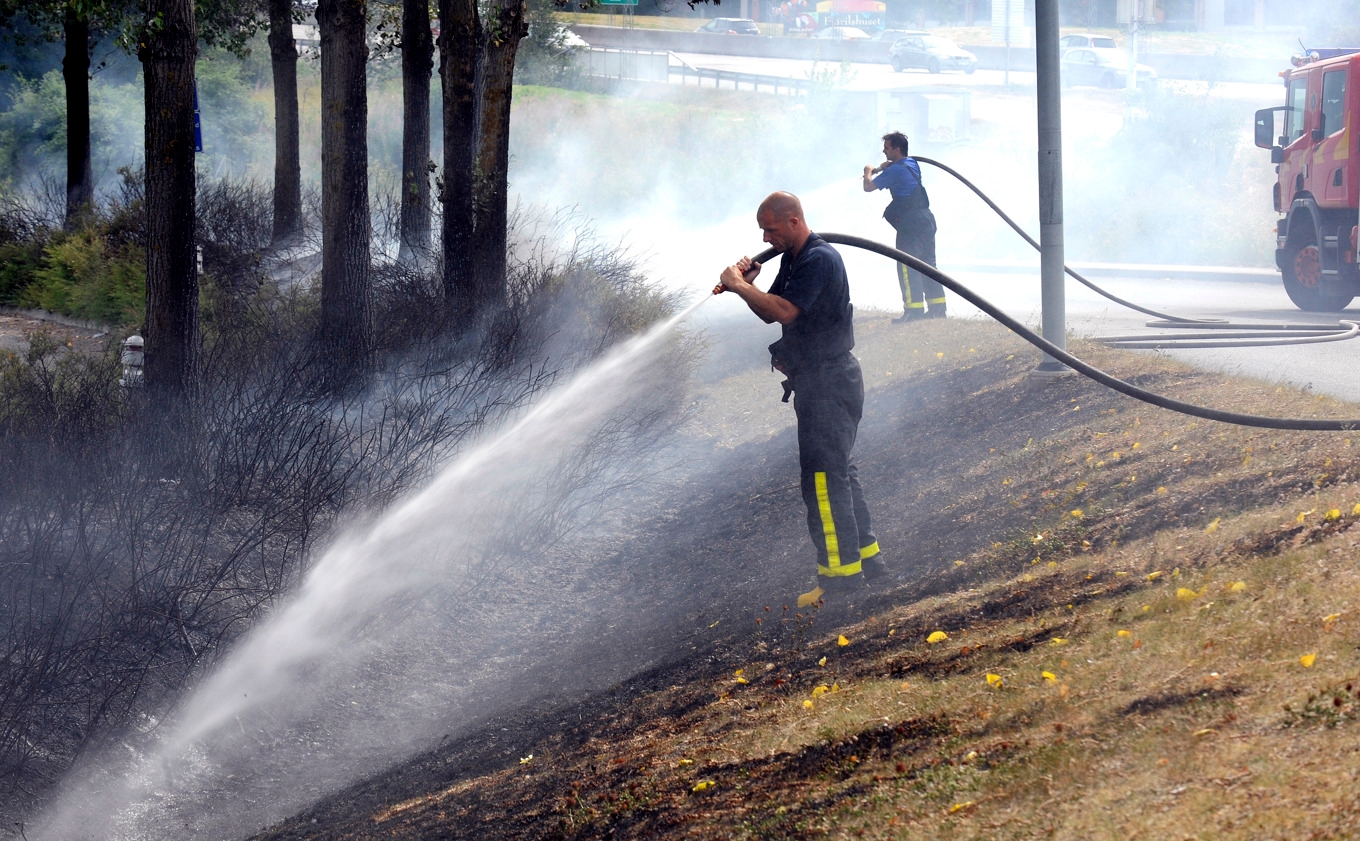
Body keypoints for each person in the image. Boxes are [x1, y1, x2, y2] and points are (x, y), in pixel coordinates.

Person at [717, 192, 884, 609]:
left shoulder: (817, 259)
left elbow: (785, 312)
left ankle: (841, 580)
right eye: (762, 230)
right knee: (840, 472)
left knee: (824, 483)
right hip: (821, 381)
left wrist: (737, 284)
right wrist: (748, 289)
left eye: (770, 229)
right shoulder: (794, 257)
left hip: (829, 382)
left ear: (794, 222)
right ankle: (868, 561)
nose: (764, 237)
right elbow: (770, 310)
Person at [863, 131, 944, 322]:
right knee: (928, 265)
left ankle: (913, 312)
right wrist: (887, 165)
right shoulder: (910, 164)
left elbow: (868, 187)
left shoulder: (895, 170)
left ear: (897, 149)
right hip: (925, 219)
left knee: (908, 265)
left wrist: (868, 171)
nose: (884, 151)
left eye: (887, 148)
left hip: (911, 223)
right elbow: (898, 169)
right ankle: (938, 309)